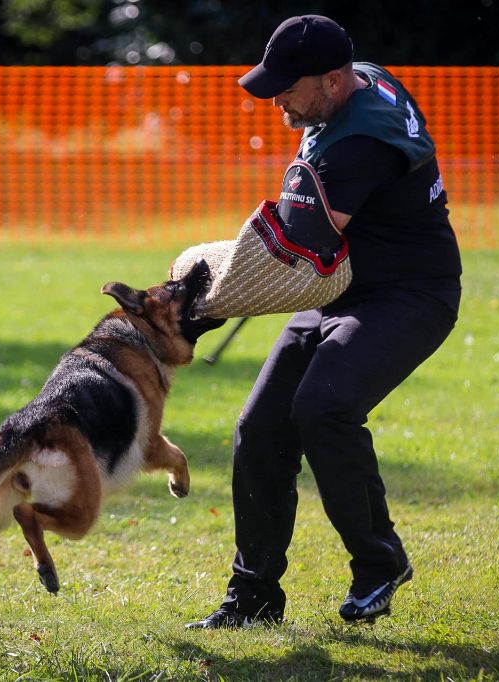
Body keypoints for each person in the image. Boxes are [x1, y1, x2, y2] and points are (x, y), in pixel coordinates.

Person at [186, 15, 462, 629]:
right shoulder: (361, 80)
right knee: (260, 428)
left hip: (407, 295)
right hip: (341, 284)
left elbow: (293, 260)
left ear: (332, 81)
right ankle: (252, 597)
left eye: (288, 86)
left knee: (322, 409)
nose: (276, 97)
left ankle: (378, 562)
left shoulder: (360, 148)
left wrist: (199, 306)